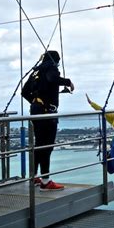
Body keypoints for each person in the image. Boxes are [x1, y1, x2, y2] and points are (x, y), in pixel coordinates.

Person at [28, 51, 74, 191]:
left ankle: (34, 177)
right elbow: (52, 78)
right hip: (47, 113)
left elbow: (24, 91)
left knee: (39, 145)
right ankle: (46, 182)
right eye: (58, 61)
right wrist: (68, 82)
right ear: (55, 60)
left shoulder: (36, 72)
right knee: (47, 146)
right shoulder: (51, 68)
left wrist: (36, 103)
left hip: (35, 111)